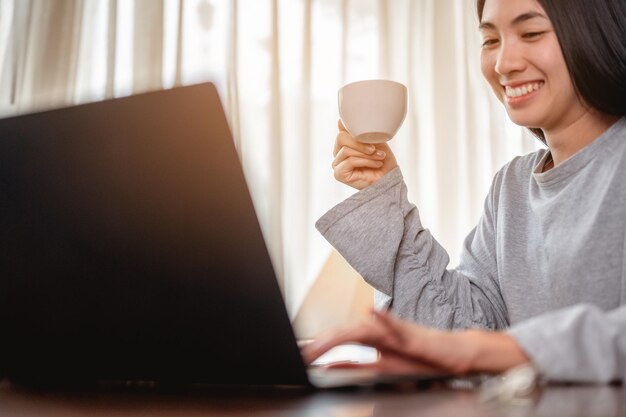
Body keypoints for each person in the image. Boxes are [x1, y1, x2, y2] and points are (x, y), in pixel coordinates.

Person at [303, 0, 626, 383]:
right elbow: (462, 332)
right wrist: (382, 195)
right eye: (490, 40)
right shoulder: (511, 188)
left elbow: (479, 349)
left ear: (596, 32)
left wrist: (498, 350)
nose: (504, 64)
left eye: (531, 33)